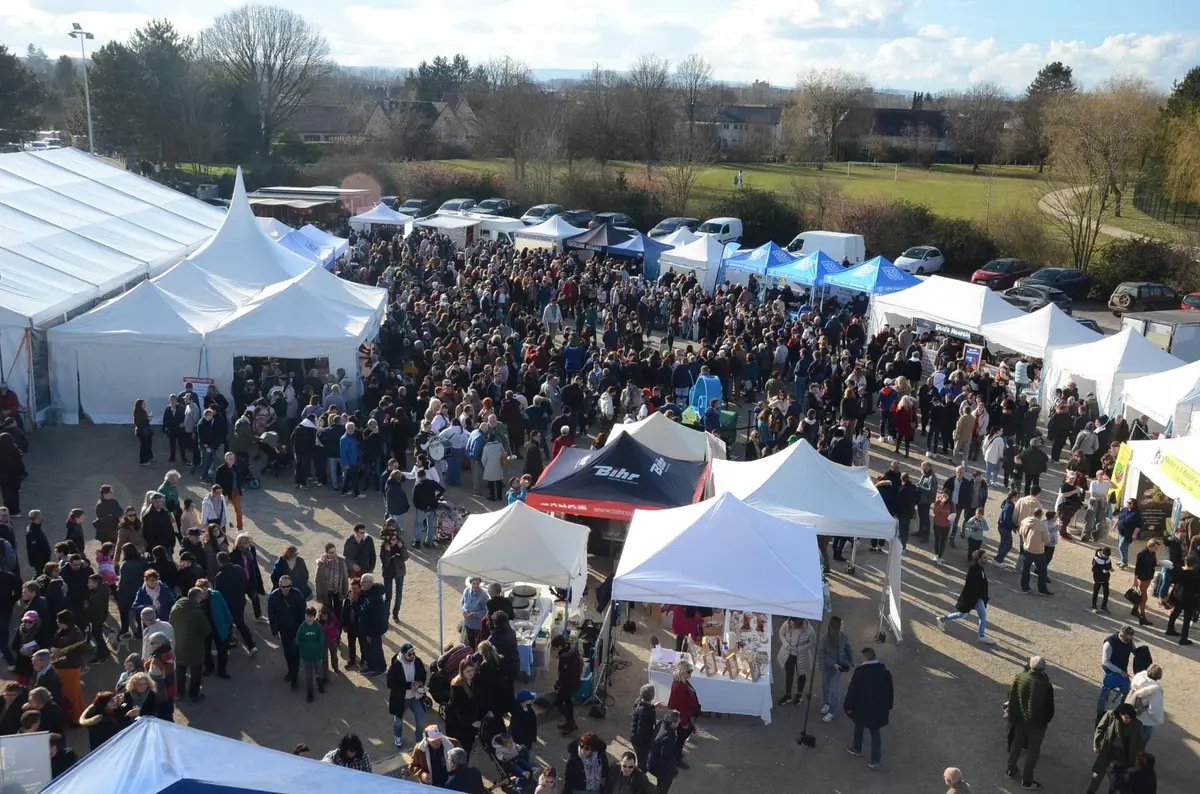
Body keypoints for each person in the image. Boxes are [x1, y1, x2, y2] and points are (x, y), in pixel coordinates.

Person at [1006, 655, 1055, 790]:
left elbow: (1012, 695)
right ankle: (1027, 781)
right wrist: (1046, 720)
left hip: (1019, 718)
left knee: (1017, 743)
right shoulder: (1045, 685)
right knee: (1033, 751)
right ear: (1043, 669)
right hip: (1036, 723)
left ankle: (1011, 769)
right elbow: (1049, 708)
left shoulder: (1019, 677)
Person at [843, 646, 893, 771]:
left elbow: (852, 691)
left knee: (859, 725)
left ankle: (856, 748)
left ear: (865, 658)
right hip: (879, 709)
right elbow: (890, 692)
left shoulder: (860, 672)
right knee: (875, 732)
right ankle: (875, 760)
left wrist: (847, 705)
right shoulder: (885, 672)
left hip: (862, 707)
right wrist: (888, 706)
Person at [1088, 704, 1144, 794]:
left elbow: (1140, 742)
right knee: (1098, 774)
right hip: (1108, 750)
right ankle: (1091, 791)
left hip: (1124, 755)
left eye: (1130, 718)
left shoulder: (1137, 724)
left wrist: (1139, 758)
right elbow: (1100, 729)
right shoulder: (1111, 716)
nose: (1128, 720)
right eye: (1126, 717)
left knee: (1117, 779)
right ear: (1120, 714)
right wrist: (1096, 744)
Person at [169, 588, 209, 703]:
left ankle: (179, 693)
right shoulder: (198, 612)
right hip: (195, 648)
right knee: (196, 672)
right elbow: (206, 630)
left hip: (179, 646)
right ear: (197, 597)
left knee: (180, 670)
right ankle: (193, 695)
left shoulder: (175, 608)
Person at [268, 575, 307, 688]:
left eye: (288, 586)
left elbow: (302, 611)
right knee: (288, 653)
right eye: (283, 586)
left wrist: (303, 628)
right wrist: (274, 631)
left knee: (296, 653)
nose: (285, 589)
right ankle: (291, 671)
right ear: (279, 586)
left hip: (297, 629)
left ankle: (294, 676)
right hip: (284, 630)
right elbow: (271, 615)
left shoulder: (297, 594)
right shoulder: (274, 596)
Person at [387, 641, 427, 748]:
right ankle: (398, 737)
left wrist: (419, 681)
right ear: (403, 654)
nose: (412, 656)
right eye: (409, 654)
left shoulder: (417, 661)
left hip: (415, 697)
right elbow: (390, 683)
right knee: (398, 722)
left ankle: (419, 741)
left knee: (420, 721)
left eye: (413, 653)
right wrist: (409, 686)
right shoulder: (396, 666)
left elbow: (423, 673)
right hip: (401, 699)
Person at [445, 657, 484, 757]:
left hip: (471, 719)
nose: (470, 673)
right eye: (467, 671)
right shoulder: (456, 686)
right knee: (462, 748)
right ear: (462, 672)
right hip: (459, 723)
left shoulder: (476, 679)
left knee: (469, 745)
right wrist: (471, 722)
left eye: (472, 670)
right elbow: (457, 709)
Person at [666, 659, 699, 769]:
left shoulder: (683, 682)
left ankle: (677, 754)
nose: (690, 673)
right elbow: (680, 706)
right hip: (682, 717)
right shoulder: (679, 686)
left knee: (682, 736)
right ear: (682, 672)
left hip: (686, 715)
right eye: (689, 671)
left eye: (691, 671)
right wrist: (684, 722)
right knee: (681, 738)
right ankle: (676, 758)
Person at [776, 617, 816, 705]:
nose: (792, 625)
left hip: (802, 656)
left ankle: (799, 694)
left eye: (794, 624)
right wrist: (787, 645)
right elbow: (781, 634)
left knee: (801, 675)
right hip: (789, 654)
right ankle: (788, 695)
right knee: (789, 674)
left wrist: (800, 648)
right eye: (791, 622)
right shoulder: (787, 624)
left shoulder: (809, 629)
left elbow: (812, 642)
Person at [551, 634, 583, 735]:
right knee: (567, 702)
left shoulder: (566, 658)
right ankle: (569, 722)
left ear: (560, 646)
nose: (555, 650)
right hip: (571, 683)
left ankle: (571, 722)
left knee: (559, 702)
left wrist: (560, 685)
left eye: (555, 647)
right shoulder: (570, 652)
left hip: (568, 685)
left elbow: (566, 675)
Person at [1164, 554, 1198, 645]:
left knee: (1176, 611)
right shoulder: (1195, 575)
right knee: (1187, 618)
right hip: (1189, 598)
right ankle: (1184, 638)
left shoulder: (1179, 571)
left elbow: (1172, 580)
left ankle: (1170, 628)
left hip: (1178, 596)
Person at [1126, 664, 1164, 747]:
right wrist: (1158, 720)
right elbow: (1153, 710)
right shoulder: (1156, 690)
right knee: (1141, 743)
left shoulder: (1138, 678)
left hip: (1131, 714)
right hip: (1144, 721)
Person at [296, 605, 326, 703]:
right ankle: (310, 693)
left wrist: (317, 648)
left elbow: (322, 640)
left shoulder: (318, 626)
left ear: (314, 616)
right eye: (307, 616)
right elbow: (297, 640)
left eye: (311, 616)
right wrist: (305, 646)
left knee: (319, 672)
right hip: (306, 657)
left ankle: (320, 684)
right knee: (308, 676)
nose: (308, 618)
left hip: (317, 655)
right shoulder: (302, 627)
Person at [1018, 509, 1052, 596]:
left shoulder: (1025, 520)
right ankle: (1042, 589)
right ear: (1040, 515)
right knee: (1043, 571)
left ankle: (1024, 587)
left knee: (1026, 569)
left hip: (1027, 548)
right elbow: (1046, 540)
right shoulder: (1042, 525)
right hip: (1038, 551)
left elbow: (1021, 532)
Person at [379, 526, 409, 622]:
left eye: (394, 539)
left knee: (399, 594)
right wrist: (387, 551)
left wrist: (402, 548)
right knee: (388, 596)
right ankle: (385, 616)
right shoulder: (384, 547)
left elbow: (405, 558)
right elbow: (386, 563)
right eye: (391, 539)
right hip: (388, 573)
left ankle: (396, 614)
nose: (393, 541)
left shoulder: (400, 544)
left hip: (399, 572)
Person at [648, 710, 680, 794]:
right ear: (673, 723)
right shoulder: (668, 738)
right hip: (661, 771)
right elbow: (666, 759)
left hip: (652, 763)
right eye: (677, 723)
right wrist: (673, 772)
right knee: (662, 789)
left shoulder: (661, 724)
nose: (678, 724)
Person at [1132, 539, 1160, 627]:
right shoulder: (1142, 555)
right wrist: (1135, 581)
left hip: (1148, 577)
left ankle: (1135, 610)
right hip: (1142, 578)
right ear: (1150, 546)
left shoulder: (1152, 553)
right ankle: (1142, 617)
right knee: (1143, 598)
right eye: (1155, 547)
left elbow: (1153, 564)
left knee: (1140, 596)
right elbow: (1137, 569)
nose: (1157, 549)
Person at [630, 684, 657, 771]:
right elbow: (642, 731)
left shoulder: (638, 701)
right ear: (652, 696)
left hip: (635, 737)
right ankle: (639, 777)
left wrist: (653, 706)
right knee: (642, 763)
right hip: (641, 742)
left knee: (641, 759)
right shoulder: (646, 713)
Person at [461, 577, 488, 648]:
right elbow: (462, 602)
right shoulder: (466, 591)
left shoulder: (484, 596)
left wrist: (475, 614)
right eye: (474, 583)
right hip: (468, 623)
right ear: (470, 583)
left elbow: (486, 611)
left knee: (478, 643)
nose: (475, 585)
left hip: (477, 626)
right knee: (470, 641)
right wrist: (464, 610)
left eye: (477, 584)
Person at [1093, 546, 1114, 614]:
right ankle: (1094, 606)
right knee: (1096, 592)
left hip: (1106, 578)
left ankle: (1104, 606)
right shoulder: (1096, 559)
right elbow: (1094, 569)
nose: (1106, 557)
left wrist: (1110, 568)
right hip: (1098, 578)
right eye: (1106, 555)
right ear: (1102, 552)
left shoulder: (1108, 558)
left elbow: (1109, 565)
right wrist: (1102, 570)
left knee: (1106, 592)